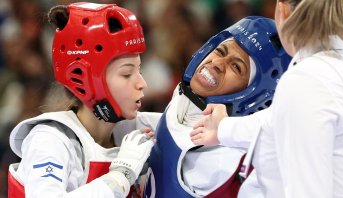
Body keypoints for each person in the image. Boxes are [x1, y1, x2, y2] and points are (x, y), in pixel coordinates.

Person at [191, 0, 343, 197]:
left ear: (282, 11)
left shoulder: (307, 79)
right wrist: (223, 128)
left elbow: (307, 192)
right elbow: (275, 121)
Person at [122, 16, 291, 197]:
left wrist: (120, 177)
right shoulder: (183, 102)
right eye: (220, 51)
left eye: (236, 67)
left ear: (255, 95)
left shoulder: (234, 166)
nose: (217, 63)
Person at [7, 2, 154, 197]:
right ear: (85, 79)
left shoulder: (136, 130)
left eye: (139, 70)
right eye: (127, 73)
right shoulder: (50, 141)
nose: (142, 83)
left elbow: (188, 123)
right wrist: (121, 176)